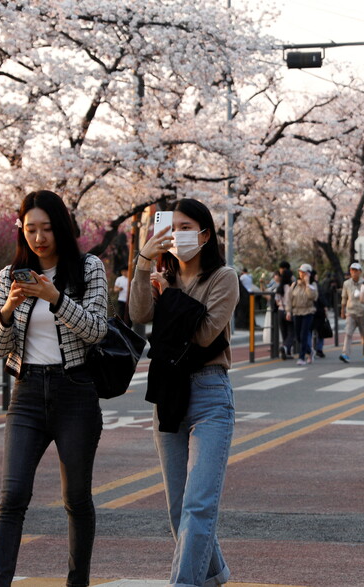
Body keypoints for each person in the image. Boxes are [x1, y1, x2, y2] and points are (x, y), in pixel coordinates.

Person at [0, 191, 109, 587]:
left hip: (74, 391)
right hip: (26, 393)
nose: (39, 238)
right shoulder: (9, 276)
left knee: (76, 498)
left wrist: (56, 298)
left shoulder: (88, 268)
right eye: (30, 229)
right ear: (21, 231)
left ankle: (77, 583)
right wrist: (8, 309)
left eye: (47, 229)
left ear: (62, 228)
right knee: (12, 497)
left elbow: (96, 329)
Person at [129, 198, 238, 587]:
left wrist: (170, 298)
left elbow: (205, 332)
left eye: (186, 227)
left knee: (198, 504)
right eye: (171, 227)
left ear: (205, 235)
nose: (177, 234)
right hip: (168, 390)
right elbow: (139, 314)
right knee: (179, 508)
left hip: (210, 391)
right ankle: (215, 576)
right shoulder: (163, 275)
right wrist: (144, 261)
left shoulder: (223, 277)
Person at [285, 263, 318, 365]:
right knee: (298, 336)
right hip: (296, 312)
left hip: (308, 311)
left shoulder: (312, 285)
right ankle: (309, 351)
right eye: (300, 272)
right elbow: (289, 299)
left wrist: (307, 284)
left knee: (304, 334)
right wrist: (288, 311)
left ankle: (302, 357)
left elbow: (312, 297)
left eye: (304, 272)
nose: (301, 274)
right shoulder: (294, 285)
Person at [340, 262, 364, 363]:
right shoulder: (346, 283)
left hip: (362, 311)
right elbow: (344, 297)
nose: (354, 272)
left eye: (356, 270)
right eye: (352, 270)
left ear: (360, 272)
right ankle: (345, 353)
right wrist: (342, 310)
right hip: (351, 311)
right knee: (348, 333)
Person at [275, 261, 294, 360]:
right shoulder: (290, 288)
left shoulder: (279, 288)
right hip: (288, 311)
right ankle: (285, 347)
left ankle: (287, 353)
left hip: (280, 311)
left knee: (284, 333)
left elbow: (277, 301)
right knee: (291, 333)